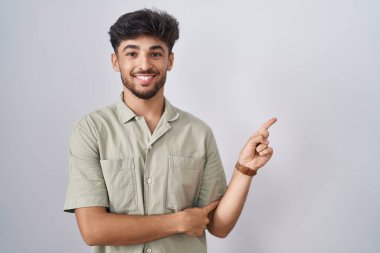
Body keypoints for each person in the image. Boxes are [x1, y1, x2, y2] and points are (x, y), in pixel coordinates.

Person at [64, 8, 277, 253]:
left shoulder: (198, 132)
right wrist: (178, 222)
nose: (144, 64)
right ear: (116, 61)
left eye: (155, 53)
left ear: (170, 61)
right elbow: (94, 230)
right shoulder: (91, 130)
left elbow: (218, 226)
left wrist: (245, 170)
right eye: (132, 53)